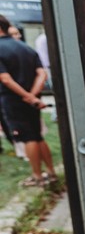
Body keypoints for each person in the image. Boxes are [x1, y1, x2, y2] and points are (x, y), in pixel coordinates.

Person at [0, 15, 56, 187]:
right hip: (33, 100)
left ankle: (37, 176)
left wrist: (26, 96)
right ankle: (51, 172)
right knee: (38, 136)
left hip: (14, 100)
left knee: (27, 137)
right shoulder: (25, 47)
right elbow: (42, 74)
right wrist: (33, 95)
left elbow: (6, 79)